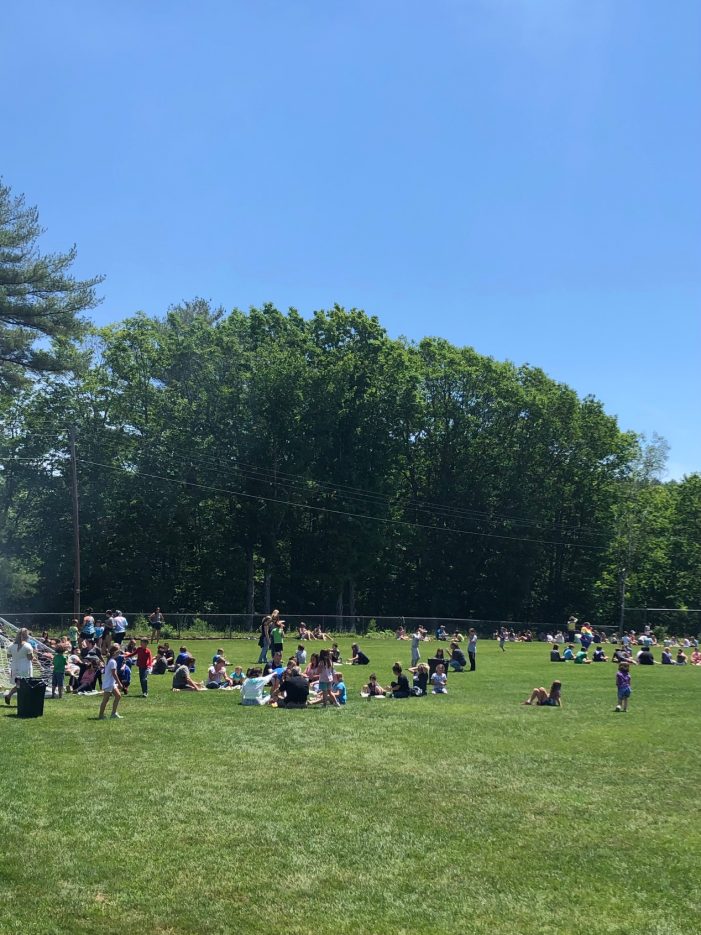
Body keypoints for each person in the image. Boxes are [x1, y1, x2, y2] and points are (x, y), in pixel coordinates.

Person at [4, 628, 35, 705]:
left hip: (15, 667)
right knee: (24, 684)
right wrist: (33, 655)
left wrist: (16, 655)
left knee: (19, 684)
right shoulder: (28, 646)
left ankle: (10, 696)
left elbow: (8, 656)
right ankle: (22, 700)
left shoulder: (11, 645)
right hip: (24, 667)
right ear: (26, 636)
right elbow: (30, 658)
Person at [98, 645, 125, 719]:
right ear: (115, 653)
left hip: (111, 683)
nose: (119, 653)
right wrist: (119, 683)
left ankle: (114, 713)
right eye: (118, 652)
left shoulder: (110, 660)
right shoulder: (113, 662)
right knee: (105, 700)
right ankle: (101, 715)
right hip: (109, 683)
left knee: (118, 696)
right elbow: (114, 673)